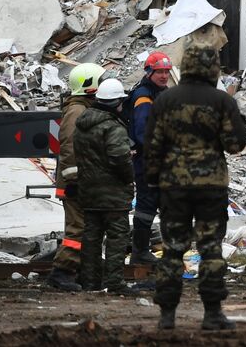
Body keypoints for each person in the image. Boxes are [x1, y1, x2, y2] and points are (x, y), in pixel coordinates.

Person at [143, 41, 246, 331]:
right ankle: (212, 313)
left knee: (173, 248)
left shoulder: (166, 100)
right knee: (211, 249)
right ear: (213, 66)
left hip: (173, 186)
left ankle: (167, 315)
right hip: (211, 186)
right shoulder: (222, 101)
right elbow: (235, 144)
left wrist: (154, 179)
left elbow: (152, 145)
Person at [48, 62, 104, 292]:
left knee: (85, 228)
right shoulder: (77, 111)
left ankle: (80, 271)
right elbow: (69, 146)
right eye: (100, 82)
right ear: (89, 87)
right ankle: (62, 272)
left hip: (83, 181)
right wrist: (74, 180)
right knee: (77, 229)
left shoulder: (84, 108)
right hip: (75, 184)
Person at [75, 78, 136, 293]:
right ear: (116, 102)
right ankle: (114, 282)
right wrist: (130, 177)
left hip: (89, 191)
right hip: (113, 194)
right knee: (117, 237)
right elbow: (119, 159)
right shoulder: (113, 127)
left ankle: (89, 282)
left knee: (91, 237)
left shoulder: (83, 123)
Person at [125, 51, 173, 265]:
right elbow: (144, 132)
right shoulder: (144, 96)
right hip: (149, 161)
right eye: (159, 72)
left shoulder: (163, 93)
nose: (164, 76)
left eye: (166, 71)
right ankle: (140, 253)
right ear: (149, 72)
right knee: (146, 205)